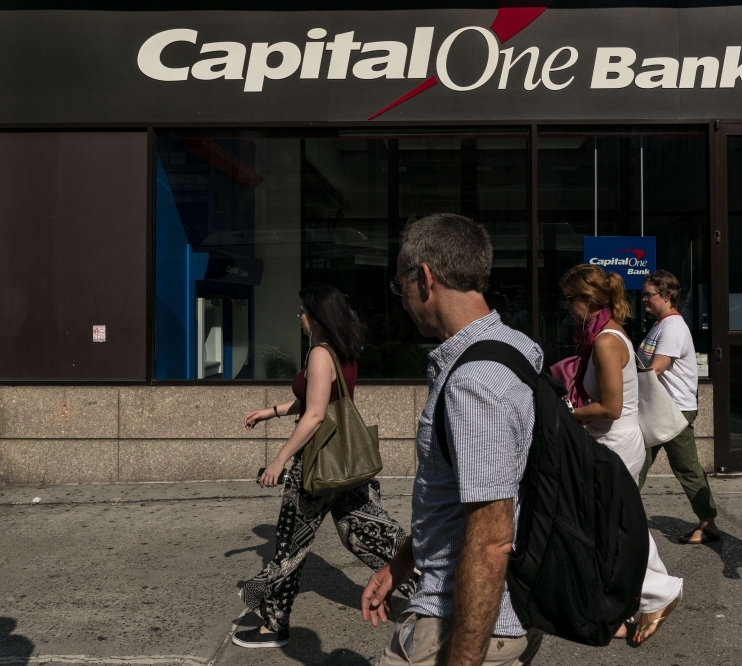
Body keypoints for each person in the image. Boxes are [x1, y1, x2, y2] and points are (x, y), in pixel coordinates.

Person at [361, 214, 544, 666]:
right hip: (505, 611)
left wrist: (463, 660)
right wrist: (402, 563)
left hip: (460, 625)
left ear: (424, 278)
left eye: (400, 283)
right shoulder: (517, 346)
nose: (401, 298)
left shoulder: (474, 383)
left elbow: (490, 540)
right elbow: (460, 499)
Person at [233, 284, 414, 649]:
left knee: (289, 545)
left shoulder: (319, 353)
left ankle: (273, 624)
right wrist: (271, 412)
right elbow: (320, 400)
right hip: (345, 463)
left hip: (317, 467)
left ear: (315, 316)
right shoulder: (344, 351)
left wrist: (279, 461)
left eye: (301, 311)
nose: (298, 317)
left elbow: (316, 414)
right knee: (369, 532)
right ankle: (440, 586)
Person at [559, 264, 683, 645]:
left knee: (611, 525)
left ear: (588, 300)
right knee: (614, 522)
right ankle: (648, 594)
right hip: (608, 442)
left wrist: (566, 415)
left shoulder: (606, 341)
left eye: (570, 299)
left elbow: (611, 407)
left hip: (613, 444)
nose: (566, 307)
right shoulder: (604, 335)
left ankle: (656, 593)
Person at [637, 271, 720, 544]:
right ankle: (619, 518)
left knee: (685, 467)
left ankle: (708, 524)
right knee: (635, 462)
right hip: (658, 408)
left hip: (673, 410)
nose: (645, 299)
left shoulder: (672, 327)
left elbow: (656, 368)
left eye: (650, 294)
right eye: (644, 294)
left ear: (668, 296)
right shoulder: (660, 325)